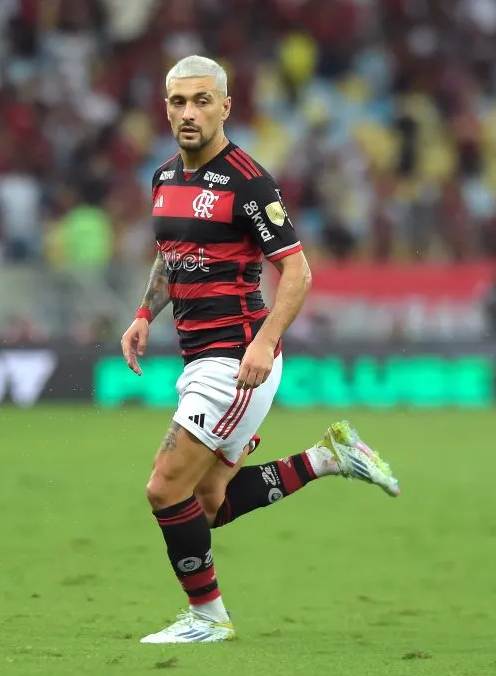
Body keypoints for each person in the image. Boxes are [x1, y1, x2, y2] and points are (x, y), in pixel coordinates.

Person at [120, 55, 401, 645]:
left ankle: (207, 619)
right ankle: (327, 458)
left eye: (201, 100)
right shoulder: (165, 177)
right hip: (201, 357)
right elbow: (172, 254)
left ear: (226, 105)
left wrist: (265, 344)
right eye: (178, 102)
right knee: (210, 503)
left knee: (163, 487)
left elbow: (296, 273)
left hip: (235, 358)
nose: (188, 113)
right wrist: (146, 313)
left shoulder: (248, 180)